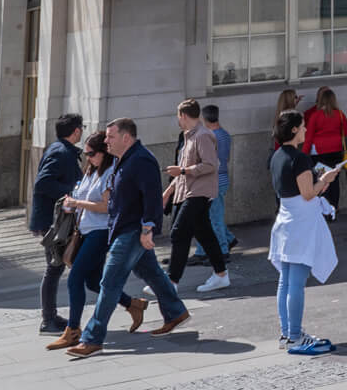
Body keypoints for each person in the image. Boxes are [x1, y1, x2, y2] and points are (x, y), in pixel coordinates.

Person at [63, 118, 190, 358]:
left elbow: (152, 198)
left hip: (133, 231)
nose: (106, 141)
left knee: (109, 283)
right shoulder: (125, 159)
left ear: (126, 137)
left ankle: (92, 338)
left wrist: (147, 228)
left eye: (110, 137)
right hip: (124, 229)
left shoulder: (141, 160)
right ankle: (175, 312)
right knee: (150, 272)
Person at [268, 109, 343, 354]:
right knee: (296, 282)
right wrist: (327, 179)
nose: (305, 130)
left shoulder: (278, 155)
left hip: (285, 220)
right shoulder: (299, 158)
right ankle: (295, 336)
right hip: (300, 223)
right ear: (293, 130)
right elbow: (309, 193)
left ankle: (287, 333)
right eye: (302, 127)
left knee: (286, 281)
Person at [47, 134, 118, 350]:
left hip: (100, 231)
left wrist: (79, 202)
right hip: (84, 230)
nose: (88, 157)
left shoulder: (111, 172)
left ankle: (73, 329)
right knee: (94, 281)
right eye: (85, 153)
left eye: (92, 153)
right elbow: (82, 197)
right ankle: (133, 304)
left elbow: (106, 207)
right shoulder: (90, 170)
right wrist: (71, 204)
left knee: (75, 278)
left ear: (103, 152)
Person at [161, 99, 230, 293]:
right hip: (188, 191)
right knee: (204, 233)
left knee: (179, 231)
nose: (178, 119)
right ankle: (221, 274)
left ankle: (172, 281)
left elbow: (211, 165)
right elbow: (183, 172)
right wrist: (168, 192)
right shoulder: (189, 136)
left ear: (182, 115)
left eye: (178, 116)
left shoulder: (202, 135)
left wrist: (183, 170)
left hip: (199, 192)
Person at [32, 112, 85, 335]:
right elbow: (43, 183)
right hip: (53, 222)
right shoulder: (62, 152)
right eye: (81, 128)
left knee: (56, 266)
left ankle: (51, 317)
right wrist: (71, 194)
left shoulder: (60, 150)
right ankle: (48, 320)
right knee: (54, 268)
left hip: (53, 219)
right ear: (76, 131)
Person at [196, 105, 236, 263]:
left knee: (214, 217)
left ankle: (223, 250)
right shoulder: (225, 135)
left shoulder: (209, 136)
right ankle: (228, 239)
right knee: (212, 215)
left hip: (213, 180)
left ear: (204, 119)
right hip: (223, 177)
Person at [304, 88, 347, 215]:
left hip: (318, 152)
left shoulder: (315, 115)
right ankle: (334, 207)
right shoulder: (340, 114)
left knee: (321, 179)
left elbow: (308, 137)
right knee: (334, 179)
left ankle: (323, 208)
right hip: (337, 150)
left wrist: (303, 154)